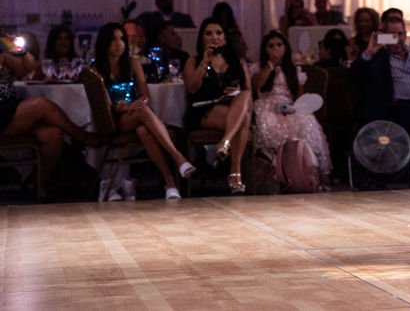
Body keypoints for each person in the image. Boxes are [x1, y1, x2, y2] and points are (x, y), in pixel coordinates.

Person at [93, 22, 196, 199]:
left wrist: (138, 103)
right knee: (142, 111)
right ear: (104, 43)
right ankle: (178, 158)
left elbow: (145, 95)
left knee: (143, 130)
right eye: (113, 40)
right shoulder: (96, 70)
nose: (119, 43)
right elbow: (102, 106)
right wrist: (127, 106)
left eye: (122, 39)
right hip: (113, 119)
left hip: (135, 113)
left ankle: (170, 184)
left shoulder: (133, 64)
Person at [1, 36, 98, 200]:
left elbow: (28, 69)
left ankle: (39, 186)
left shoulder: (3, 53)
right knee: (41, 105)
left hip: (10, 110)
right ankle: (82, 137)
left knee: (53, 134)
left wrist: (22, 52)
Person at [251, 31, 332, 188]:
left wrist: (294, 108)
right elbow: (257, 86)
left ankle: (304, 171)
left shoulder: (294, 70)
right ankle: (276, 174)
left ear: (286, 48)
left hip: (289, 106)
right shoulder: (258, 68)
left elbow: (298, 96)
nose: (276, 48)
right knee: (270, 125)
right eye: (271, 46)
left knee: (305, 122)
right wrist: (270, 65)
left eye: (279, 45)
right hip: (267, 104)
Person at [183, 18, 253, 194]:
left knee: (244, 98)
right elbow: (191, 88)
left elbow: (249, 93)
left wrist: (235, 92)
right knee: (243, 119)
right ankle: (234, 173)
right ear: (202, 39)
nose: (214, 37)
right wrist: (204, 62)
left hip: (231, 107)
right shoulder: (194, 60)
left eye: (219, 33)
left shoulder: (237, 61)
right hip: (203, 110)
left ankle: (225, 143)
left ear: (225, 38)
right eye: (209, 33)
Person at [348, 16, 410, 145]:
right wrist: (369, 52)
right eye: (392, 36)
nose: (397, 40)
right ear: (384, 37)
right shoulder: (378, 58)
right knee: (407, 114)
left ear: (405, 35)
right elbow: (352, 78)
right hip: (398, 106)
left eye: (400, 34)